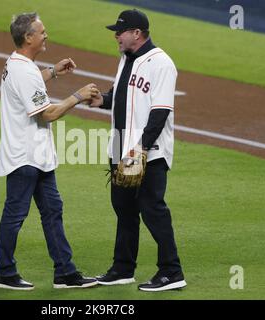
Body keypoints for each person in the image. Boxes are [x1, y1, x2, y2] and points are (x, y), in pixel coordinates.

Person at [0, 12, 99, 290]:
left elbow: (30, 84)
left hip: (37, 157)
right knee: (15, 215)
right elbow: (47, 114)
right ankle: (4, 272)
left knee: (53, 210)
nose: (46, 35)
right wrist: (78, 96)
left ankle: (65, 272)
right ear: (28, 37)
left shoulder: (18, 64)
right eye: (42, 32)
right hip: (24, 157)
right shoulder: (23, 70)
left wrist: (53, 71)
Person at [90, 9, 186, 292]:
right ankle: (122, 268)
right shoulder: (126, 59)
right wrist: (103, 101)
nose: (116, 36)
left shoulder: (162, 64)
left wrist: (140, 150)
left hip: (148, 152)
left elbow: (160, 112)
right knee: (124, 209)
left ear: (137, 33)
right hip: (120, 147)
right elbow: (125, 98)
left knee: (152, 209)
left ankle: (171, 271)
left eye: (120, 31)